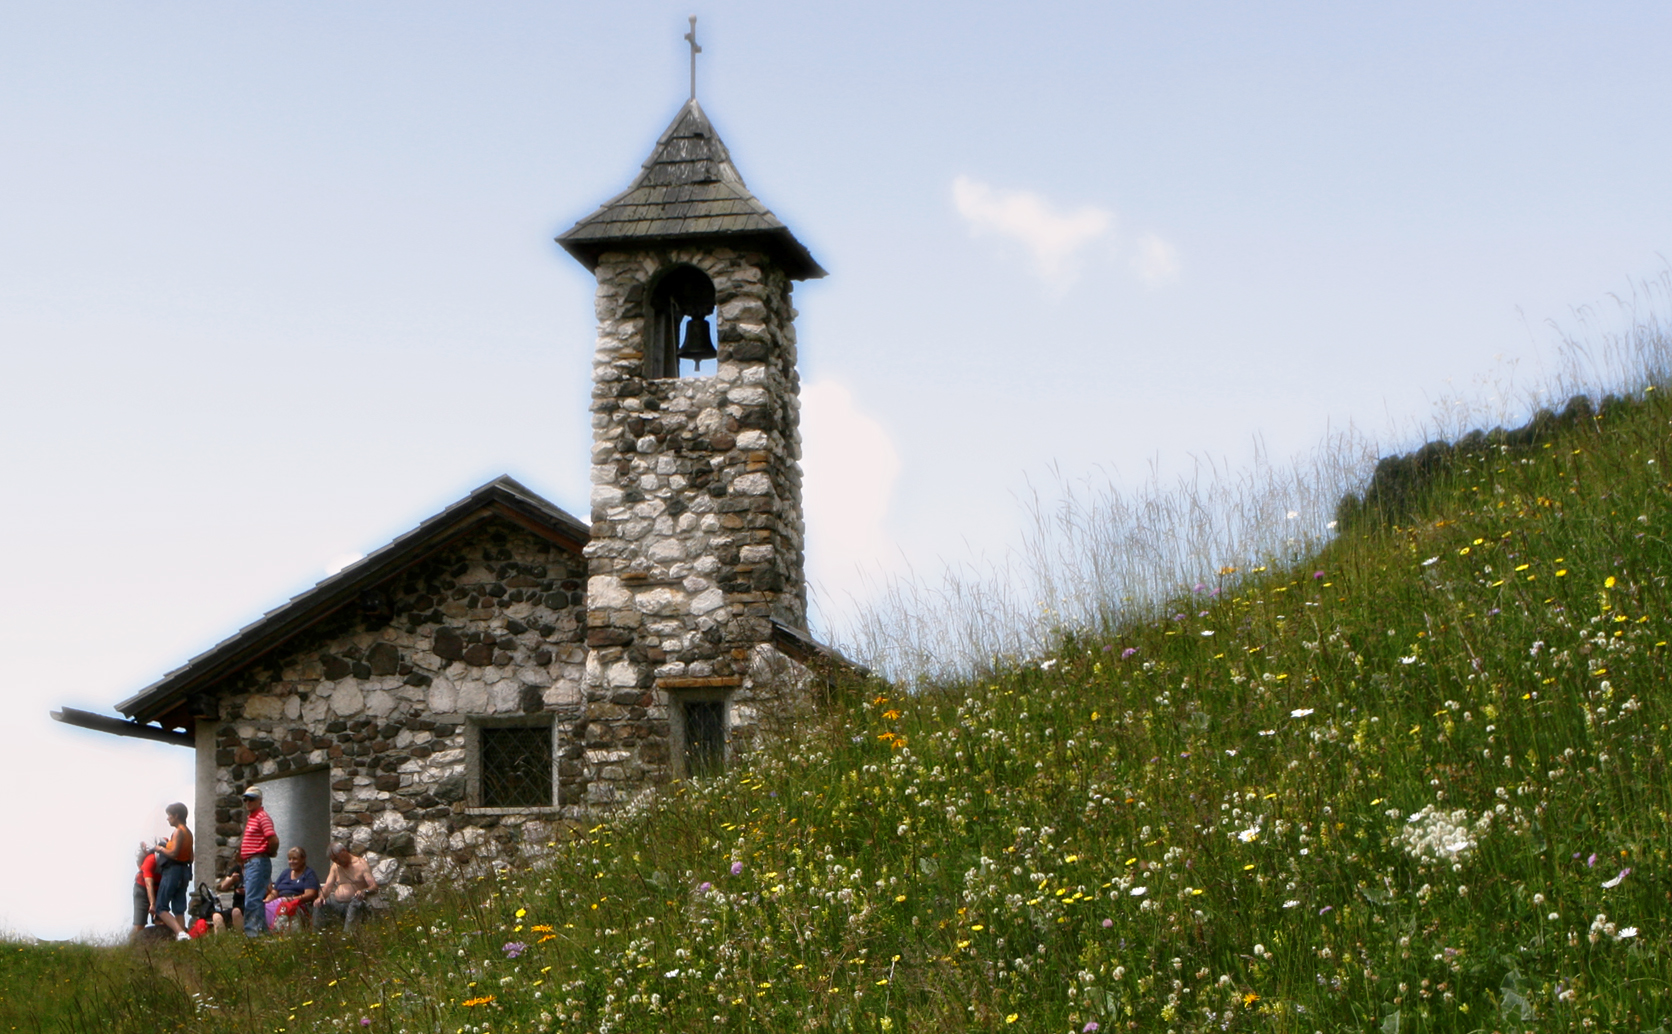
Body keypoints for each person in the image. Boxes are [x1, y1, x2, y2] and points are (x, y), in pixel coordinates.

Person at [238, 786, 278, 935]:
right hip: (252, 863)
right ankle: (262, 933)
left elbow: (273, 838)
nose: (248, 802)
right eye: (245, 799)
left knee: (252, 900)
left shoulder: (262, 817)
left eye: (251, 799)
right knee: (254, 899)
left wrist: (270, 852)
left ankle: (253, 935)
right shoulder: (253, 817)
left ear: (259, 800)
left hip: (257, 862)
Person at [153, 802, 194, 941]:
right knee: (179, 908)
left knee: (161, 907)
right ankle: (183, 937)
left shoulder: (178, 831)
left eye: (169, 815)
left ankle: (180, 933)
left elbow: (174, 852)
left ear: (176, 815)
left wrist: (160, 849)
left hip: (173, 870)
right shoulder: (189, 832)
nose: (168, 818)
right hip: (184, 870)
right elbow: (191, 857)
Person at [315, 843, 377, 931]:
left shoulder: (361, 864)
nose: (337, 861)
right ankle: (316, 934)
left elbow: (373, 886)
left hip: (354, 902)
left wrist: (364, 891)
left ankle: (348, 935)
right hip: (337, 903)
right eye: (334, 860)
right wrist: (320, 897)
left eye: (337, 858)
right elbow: (327, 887)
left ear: (343, 851)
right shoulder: (335, 867)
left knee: (356, 903)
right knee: (319, 904)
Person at [263, 846, 320, 932]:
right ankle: (265, 931)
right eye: (289, 859)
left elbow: (310, 894)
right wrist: (267, 900)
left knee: (284, 906)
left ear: (303, 859)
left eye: (295, 859)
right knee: (263, 907)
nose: (291, 862)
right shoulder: (285, 873)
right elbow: (274, 892)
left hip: (298, 903)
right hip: (281, 900)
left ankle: (279, 931)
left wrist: (292, 899)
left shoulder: (309, 874)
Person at [131, 840, 160, 940]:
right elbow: (148, 884)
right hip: (142, 889)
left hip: (157, 889)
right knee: (139, 924)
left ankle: (159, 944)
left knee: (160, 922)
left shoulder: (169, 859)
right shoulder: (150, 860)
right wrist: (152, 904)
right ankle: (132, 946)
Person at [209, 868, 245, 935]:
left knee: (236, 912)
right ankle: (221, 941)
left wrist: (247, 891)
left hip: (249, 906)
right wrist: (232, 880)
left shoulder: (256, 871)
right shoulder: (237, 869)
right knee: (216, 916)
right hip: (236, 906)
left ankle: (240, 938)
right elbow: (223, 887)